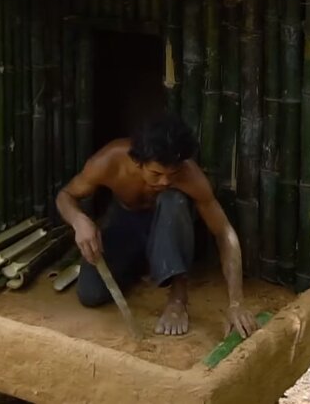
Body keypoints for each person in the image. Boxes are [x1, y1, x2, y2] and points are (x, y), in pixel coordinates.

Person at [54, 113, 259, 338]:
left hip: (169, 227)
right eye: (156, 173)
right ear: (137, 161)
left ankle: (178, 297)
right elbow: (65, 195)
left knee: (173, 200)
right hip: (127, 224)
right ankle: (147, 264)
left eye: (172, 174)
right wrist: (78, 220)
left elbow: (223, 231)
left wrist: (236, 303)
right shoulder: (109, 161)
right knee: (90, 294)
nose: (164, 181)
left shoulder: (189, 176)